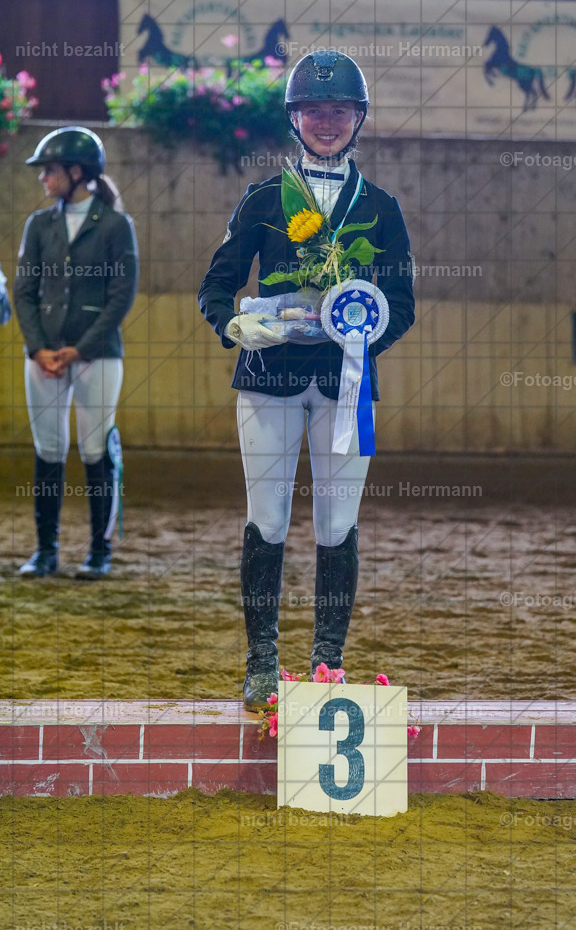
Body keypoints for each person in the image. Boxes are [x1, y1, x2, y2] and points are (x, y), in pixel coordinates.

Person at [199, 50, 415, 709]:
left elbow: (400, 305)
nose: (326, 121)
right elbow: (215, 288)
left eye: (339, 111)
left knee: (336, 523)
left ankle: (327, 662)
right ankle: (262, 660)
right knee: (266, 518)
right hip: (268, 379)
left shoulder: (380, 207)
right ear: (294, 119)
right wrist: (238, 327)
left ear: (358, 120)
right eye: (313, 111)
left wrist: (360, 329)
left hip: (345, 387)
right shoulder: (264, 199)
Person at [13, 126, 138, 579]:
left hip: (97, 355)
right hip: (43, 355)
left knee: (93, 448)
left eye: (49, 171)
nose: (43, 179)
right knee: (48, 449)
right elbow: (23, 291)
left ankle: (98, 552)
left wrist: (79, 349)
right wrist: (38, 347)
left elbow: (121, 296)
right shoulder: (39, 224)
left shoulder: (115, 225)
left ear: (76, 171)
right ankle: (46, 550)